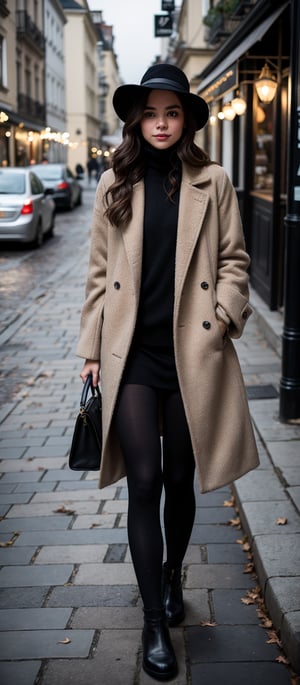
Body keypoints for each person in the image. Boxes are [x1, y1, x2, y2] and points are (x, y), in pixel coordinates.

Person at [77, 64, 259, 681]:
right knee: (144, 481)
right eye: (150, 114)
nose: (160, 124)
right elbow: (100, 277)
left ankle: (173, 572)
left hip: (192, 355)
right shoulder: (114, 183)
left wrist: (225, 314)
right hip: (132, 356)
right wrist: (92, 348)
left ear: (185, 121)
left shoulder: (213, 180)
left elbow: (234, 259)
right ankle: (155, 620)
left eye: (171, 113)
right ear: (137, 120)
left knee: (181, 478)